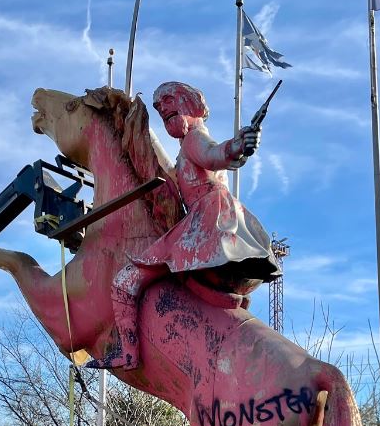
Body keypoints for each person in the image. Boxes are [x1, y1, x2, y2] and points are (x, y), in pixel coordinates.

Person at [86, 81, 281, 371]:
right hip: (213, 220)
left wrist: (238, 146)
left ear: (191, 106)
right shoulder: (186, 148)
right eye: (161, 113)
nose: (164, 111)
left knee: (125, 281)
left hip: (204, 223)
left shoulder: (194, 140)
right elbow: (178, 170)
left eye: (169, 104)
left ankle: (128, 352)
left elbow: (215, 155)